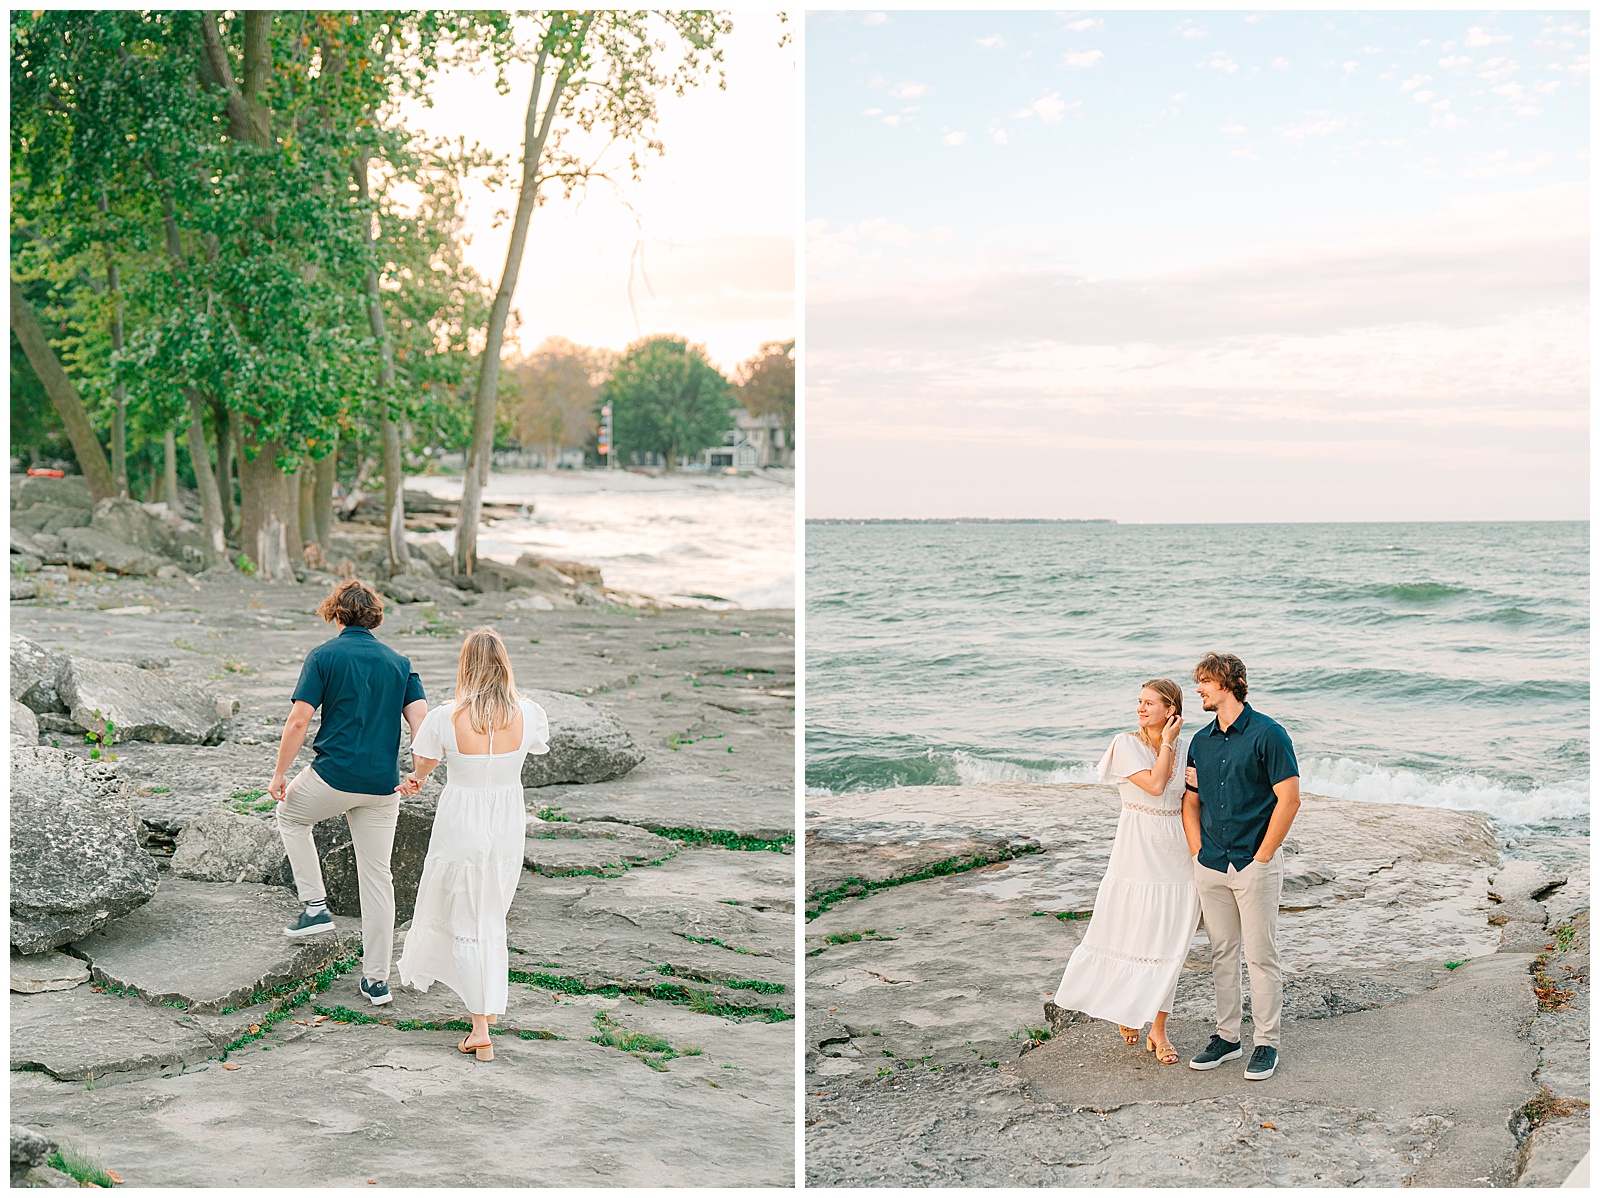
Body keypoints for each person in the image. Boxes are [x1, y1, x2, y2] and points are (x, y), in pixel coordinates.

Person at [271, 580, 427, 1008]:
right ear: (373, 617)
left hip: (333, 778)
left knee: (291, 816)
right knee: (377, 878)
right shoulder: (400, 663)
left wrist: (280, 774)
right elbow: (422, 722)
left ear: (336, 615)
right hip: (383, 786)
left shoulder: (324, 656)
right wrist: (419, 773)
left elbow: (299, 721)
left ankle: (315, 906)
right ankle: (377, 980)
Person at [396, 627, 550, 1062]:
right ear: (504, 665)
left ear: (466, 666)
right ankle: (486, 1009)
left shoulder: (446, 716)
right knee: (488, 915)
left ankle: (480, 1025)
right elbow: (532, 749)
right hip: (504, 821)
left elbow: (424, 763)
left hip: (461, 818)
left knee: (467, 918)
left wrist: (416, 780)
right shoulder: (530, 713)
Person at [1048, 679, 1198, 1065]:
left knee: (1171, 945)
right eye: (1140, 702)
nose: (1141, 708)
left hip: (1176, 853)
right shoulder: (1125, 744)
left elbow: (1191, 801)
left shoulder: (1189, 749)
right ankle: (1126, 1009)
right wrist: (1167, 743)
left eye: (1150, 703)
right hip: (1137, 852)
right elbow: (1155, 784)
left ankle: (1159, 1029)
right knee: (1133, 933)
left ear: (1171, 709)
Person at [1182, 652, 1301, 1081]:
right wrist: (1198, 851)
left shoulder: (1269, 734)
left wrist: (1264, 856)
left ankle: (1266, 1042)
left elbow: (1289, 800)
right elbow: (1191, 801)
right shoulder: (1201, 741)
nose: (1198, 689)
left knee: (1261, 956)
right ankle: (1227, 1037)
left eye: (1204, 682)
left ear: (1227, 684)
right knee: (1221, 953)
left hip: (1255, 862)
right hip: (1211, 862)